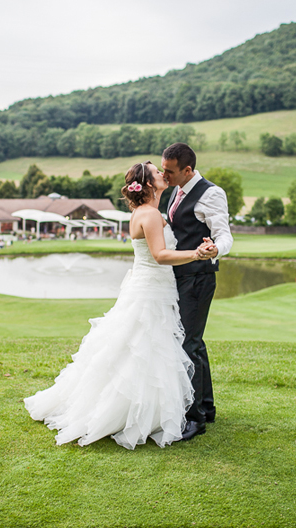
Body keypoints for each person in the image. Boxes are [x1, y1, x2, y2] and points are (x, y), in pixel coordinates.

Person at [24, 161, 215, 450]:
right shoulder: (149, 214)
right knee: (145, 347)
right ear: (149, 185)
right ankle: (133, 412)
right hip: (151, 288)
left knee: (145, 347)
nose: (163, 174)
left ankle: (157, 408)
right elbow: (161, 255)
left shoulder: (146, 212)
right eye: (156, 172)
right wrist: (197, 254)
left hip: (153, 286)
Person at [162, 142, 233, 441]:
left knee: (187, 346)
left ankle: (195, 419)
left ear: (187, 170)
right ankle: (207, 407)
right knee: (195, 343)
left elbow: (224, 234)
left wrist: (216, 249)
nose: (165, 177)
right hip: (178, 277)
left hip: (199, 278)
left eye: (170, 172)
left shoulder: (211, 193)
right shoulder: (174, 191)